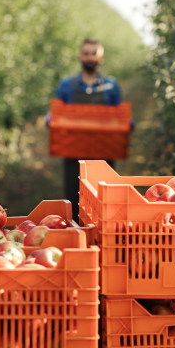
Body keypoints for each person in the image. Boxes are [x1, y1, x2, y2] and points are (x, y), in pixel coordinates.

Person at [53, 38, 122, 221]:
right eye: (86, 53)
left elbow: (120, 117)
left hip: (104, 152)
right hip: (73, 152)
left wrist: (127, 123)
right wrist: (50, 119)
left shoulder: (111, 86)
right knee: (74, 198)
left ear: (101, 58)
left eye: (94, 54)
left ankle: (101, 238)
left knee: (103, 198)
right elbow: (56, 113)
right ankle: (78, 237)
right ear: (79, 56)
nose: (90, 57)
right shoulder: (66, 85)